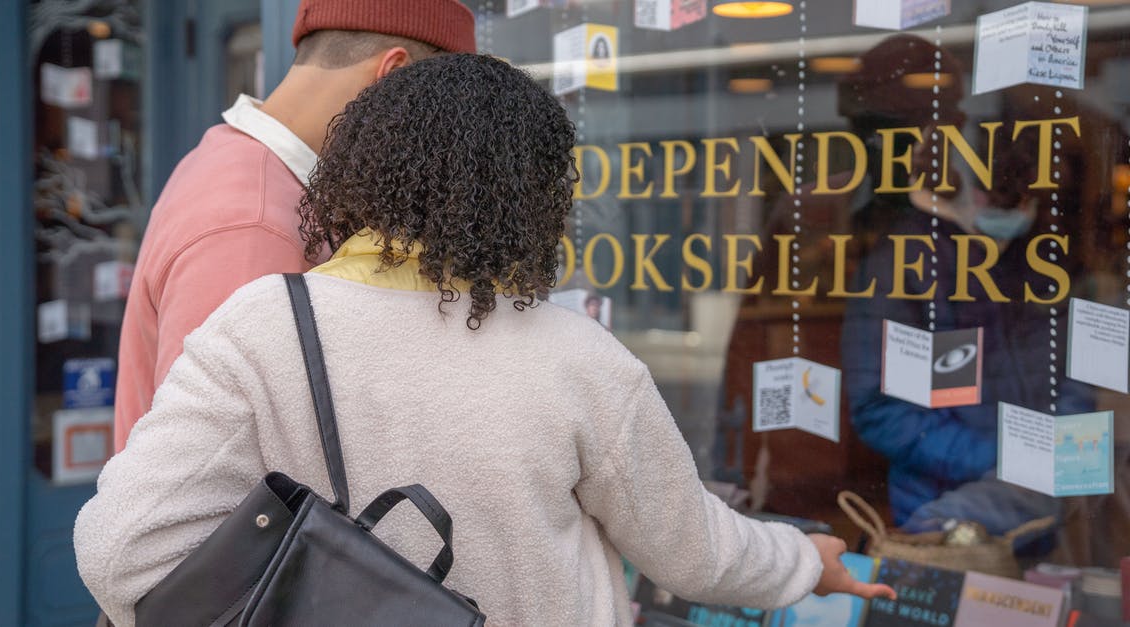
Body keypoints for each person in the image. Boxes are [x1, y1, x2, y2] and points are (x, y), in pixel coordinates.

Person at [75, 55, 893, 626]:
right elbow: (694, 553)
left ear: (360, 170)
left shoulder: (260, 325)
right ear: (533, 202)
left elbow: (123, 553)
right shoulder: (579, 361)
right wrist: (802, 558)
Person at [112, 0, 476, 451]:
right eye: (440, 113)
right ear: (393, 73)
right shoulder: (254, 220)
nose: (439, 140)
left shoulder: (248, 171)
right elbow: (214, 469)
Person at [839, 36, 1093, 543]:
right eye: (981, 181)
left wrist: (1060, 455)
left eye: (1008, 186)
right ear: (946, 177)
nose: (994, 198)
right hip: (947, 520)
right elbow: (879, 408)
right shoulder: (900, 265)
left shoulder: (1035, 262)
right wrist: (1005, 462)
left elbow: (1076, 376)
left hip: (1047, 516)